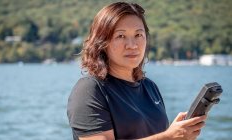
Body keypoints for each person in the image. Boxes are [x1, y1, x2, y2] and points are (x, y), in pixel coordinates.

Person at [67, 2, 206, 140]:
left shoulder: (150, 87)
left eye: (138, 35)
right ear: (102, 42)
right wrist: (169, 137)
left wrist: (179, 134)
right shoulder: (90, 89)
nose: (132, 45)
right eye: (121, 36)